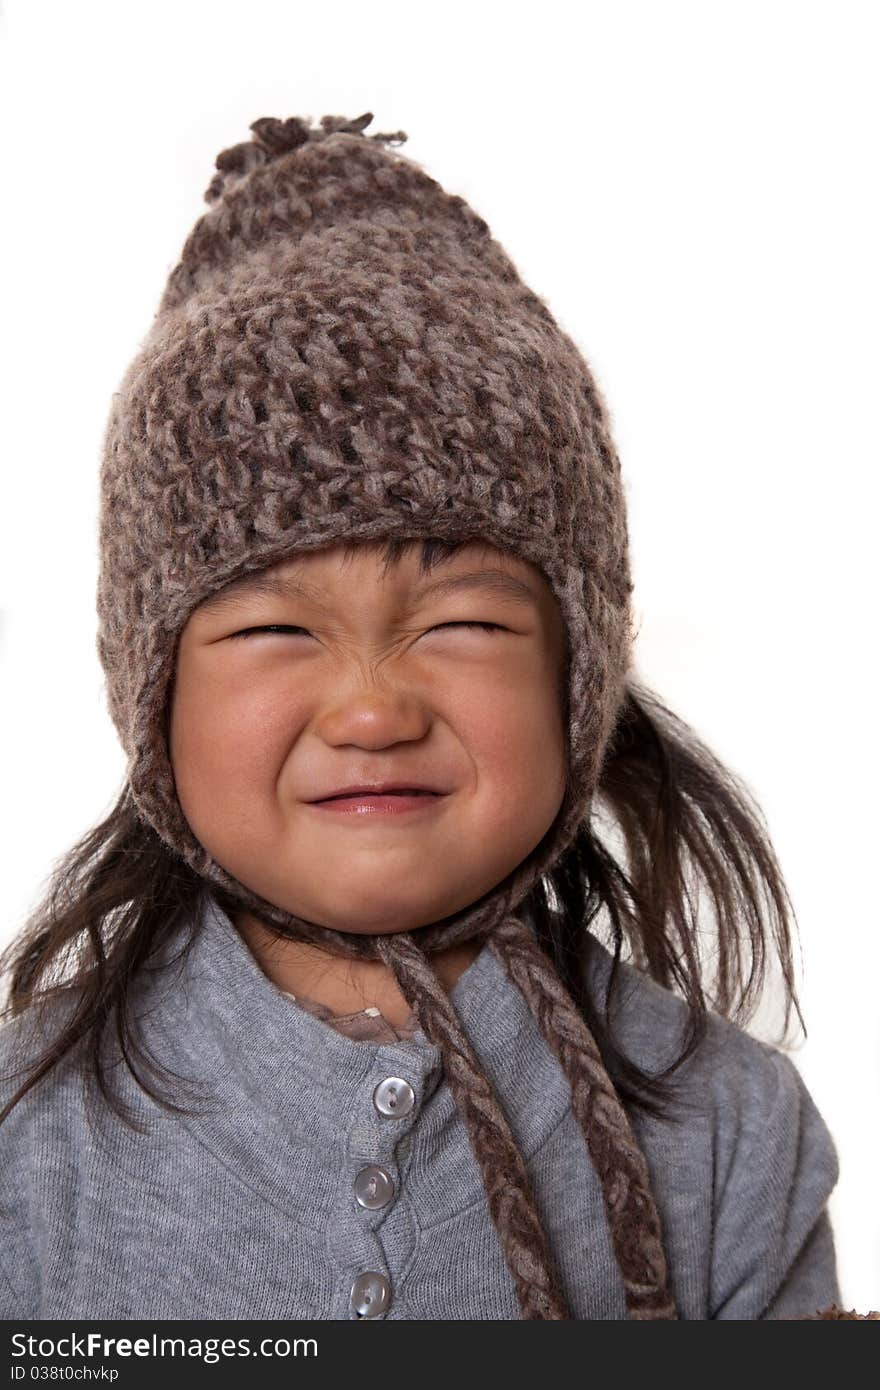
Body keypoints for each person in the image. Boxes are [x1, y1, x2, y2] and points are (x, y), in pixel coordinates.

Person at [0, 112, 845, 1320]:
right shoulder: (25, 1130)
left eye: (463, 622)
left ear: (580, 671)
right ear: (151, 689)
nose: (371, 705)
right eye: (273, 629)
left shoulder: (726, 1132)